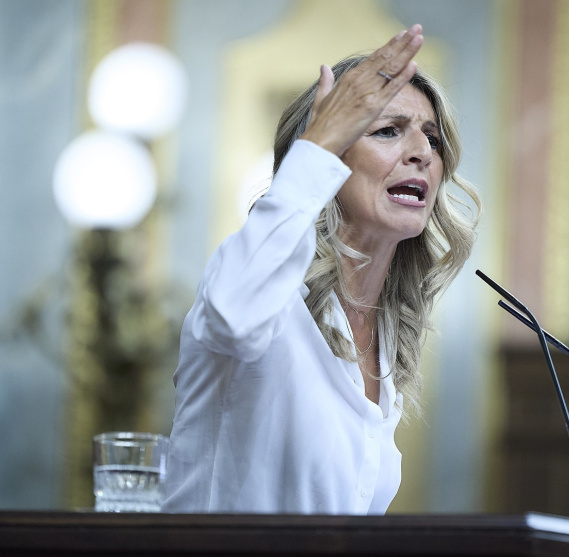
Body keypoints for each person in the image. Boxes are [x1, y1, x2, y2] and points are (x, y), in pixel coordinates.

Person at [163, 24, 480, 514]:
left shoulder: (385, 338)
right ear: (325, 156)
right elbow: (232, 316)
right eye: (388, 130)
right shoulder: (268, 300)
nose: (422, 153)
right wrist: (317, 146)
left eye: (433, 139)